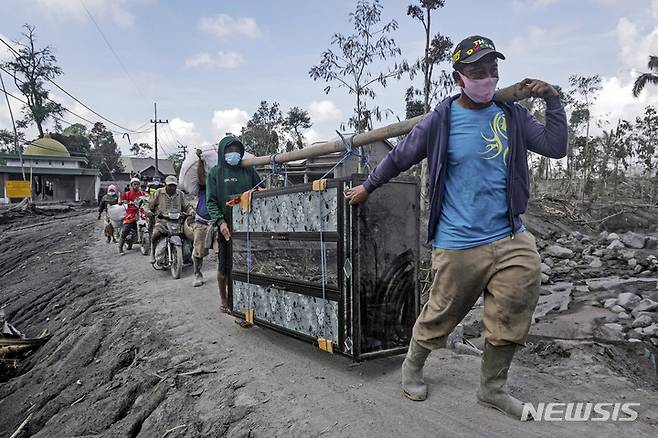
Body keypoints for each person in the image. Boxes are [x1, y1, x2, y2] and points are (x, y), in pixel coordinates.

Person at [345, 35, 567, 420]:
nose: (487, 78)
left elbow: (555, 146)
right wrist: (368, 186)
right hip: (459, 239)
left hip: (511, 234)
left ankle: (492, 388)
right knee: (442, 312)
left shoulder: (512, 115)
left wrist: (553, 99)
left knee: (514, 305)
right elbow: (400, 156)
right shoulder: (441, 119)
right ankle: (412, 365)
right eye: (477, 71)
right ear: (458, 77)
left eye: (492, 71)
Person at [206, 135, 262, 313]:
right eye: (229, 150)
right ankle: (224, 299)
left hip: (249, 226)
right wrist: (221, 222)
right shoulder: (215, 173)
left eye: (237, 149)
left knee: (247, 266)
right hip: (227, 227)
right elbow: (211, 202)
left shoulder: (248, 170)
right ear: (223, 152)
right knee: (225, 267)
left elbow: (259, 189)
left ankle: (246, 301)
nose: (234, 153)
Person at [146, 175, 195, 265]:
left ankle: (189, 256)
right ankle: (152, 251)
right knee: (155, 234)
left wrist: (191, 211)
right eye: (170, 185)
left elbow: (187, 206)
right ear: (165, 185)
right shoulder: (158, 193)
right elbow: (149, 204)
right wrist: (148, 211)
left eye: (174, 185)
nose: (172, 187)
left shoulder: (180, 194)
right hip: (162, 221)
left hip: (178, 222)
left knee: (190, 235)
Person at [190, 149, 213, 287]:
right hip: (202, 222)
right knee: (198, 252)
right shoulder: (204, 187)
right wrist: (200, 160)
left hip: (217, 223)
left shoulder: (221, 186)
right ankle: (197, 274)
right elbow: (200, 176)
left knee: (222, 251)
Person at [118, 177, 147, 255]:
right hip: (130, 214)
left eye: (137, 184)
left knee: (149, 225)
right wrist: (121, 202)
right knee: (126, 229)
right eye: (134, 184)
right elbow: (120, 200)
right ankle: (120, 247)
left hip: (141, 213)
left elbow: (149, 199)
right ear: (131, 185)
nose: (136, 186)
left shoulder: (142, 193)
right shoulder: (127, 194)